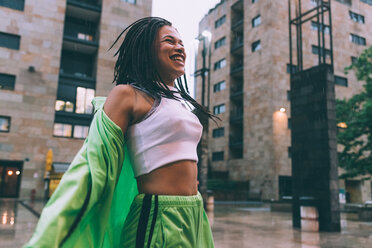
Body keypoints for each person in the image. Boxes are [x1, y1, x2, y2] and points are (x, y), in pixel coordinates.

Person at [25, 17, 215, 248]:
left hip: (195, 212)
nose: (180, 47)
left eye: (181, 43)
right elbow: (93, 165)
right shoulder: (128, 95)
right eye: (169, 41)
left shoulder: (179, 103)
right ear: (146, 50)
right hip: (157, 216)